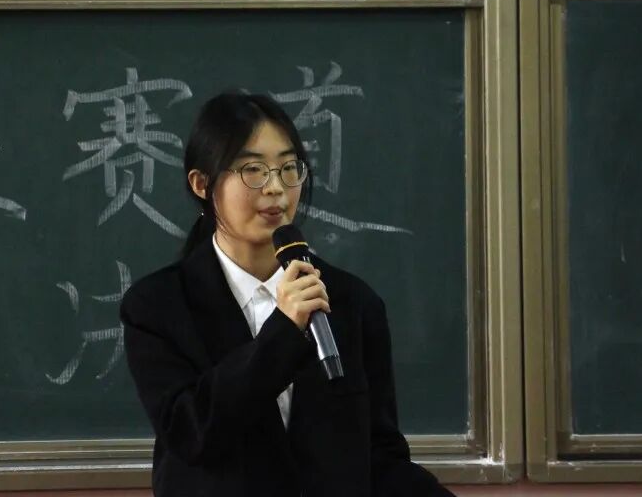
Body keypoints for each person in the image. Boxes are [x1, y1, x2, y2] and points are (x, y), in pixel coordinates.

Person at [120, 92, 456, 497]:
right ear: (202, 184)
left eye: (288, 167)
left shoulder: (352, 302)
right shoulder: (157, 306)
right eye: (253, 169)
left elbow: (379, 459)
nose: (276, 188)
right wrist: (284, 329)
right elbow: (193, 433)